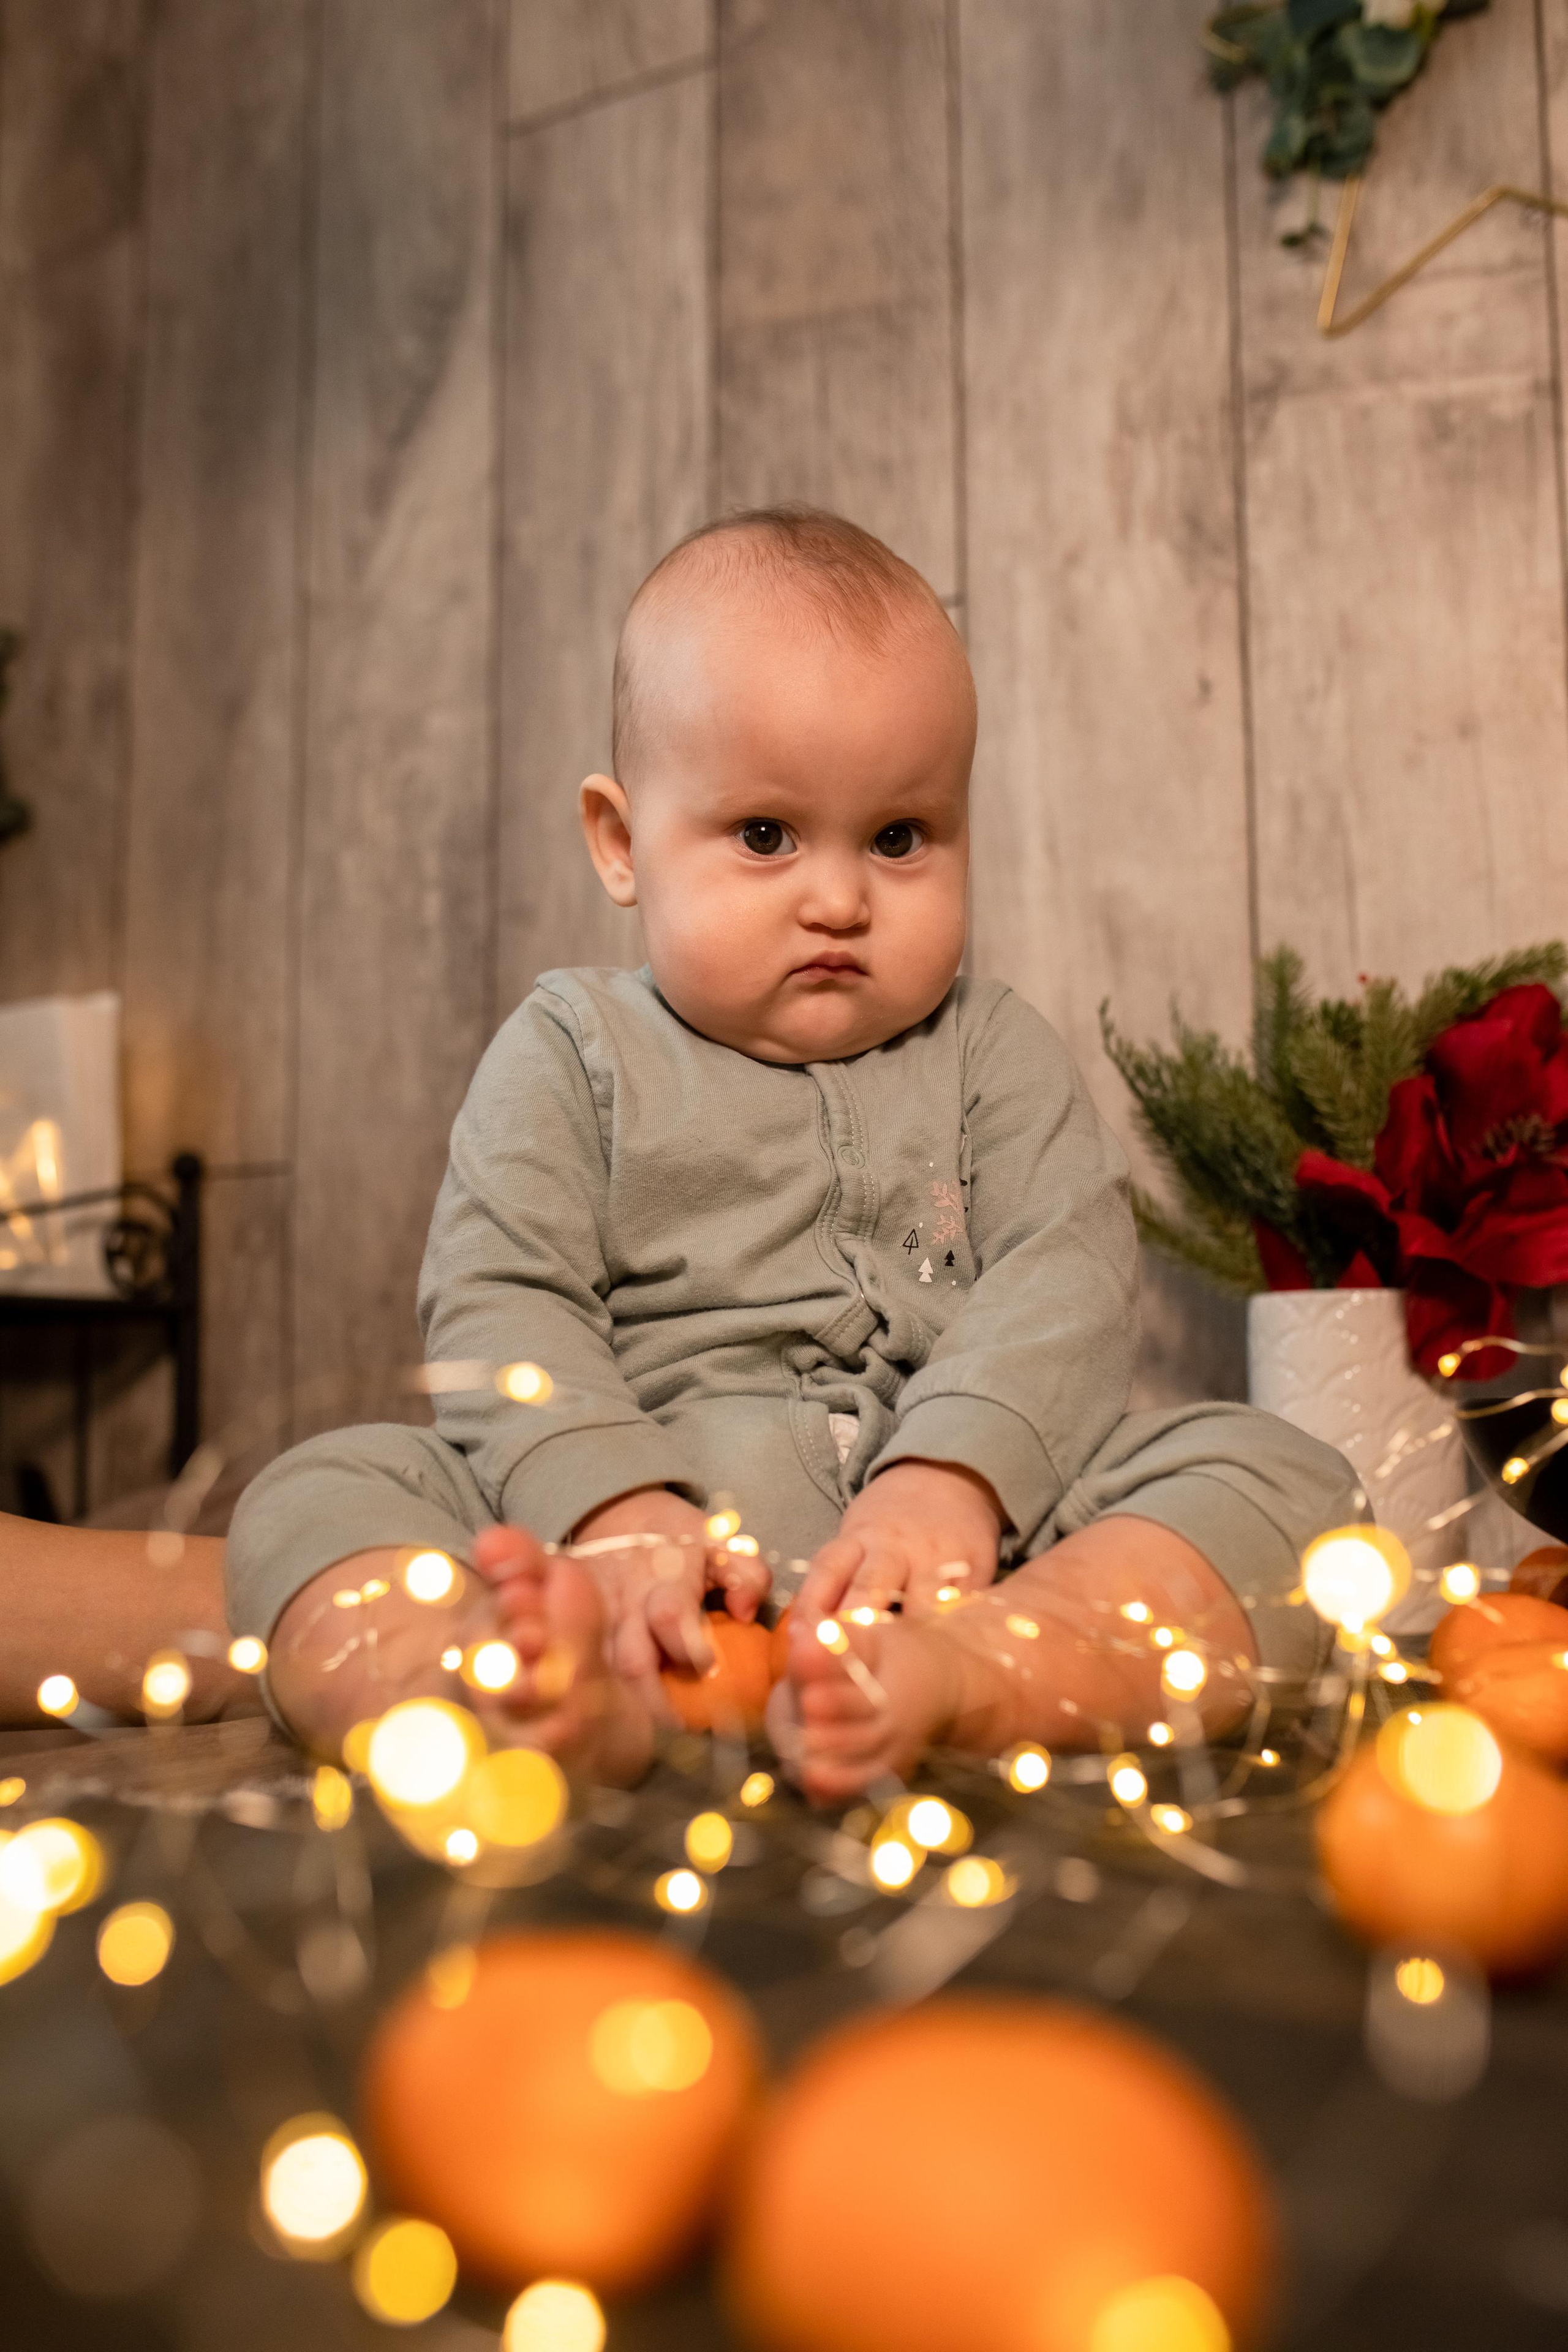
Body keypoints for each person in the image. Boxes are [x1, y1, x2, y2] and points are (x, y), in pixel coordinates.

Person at [230, 508, 1355, 1800]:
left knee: (1287, 1480)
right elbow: (502, 1302)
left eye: (897, 837)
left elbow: (1066, 1273)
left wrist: (949, 1482)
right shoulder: (572, 1051)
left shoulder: (989, 1050)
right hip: (635, 1548)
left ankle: (977, 1677)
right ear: (620, 843)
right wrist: (609, 1512)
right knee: (317, 1496)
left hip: (943, 1561)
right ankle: (515, 1689)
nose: (837, 897)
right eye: (764, 835)